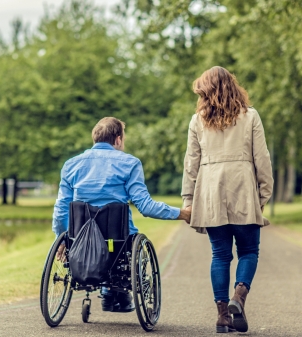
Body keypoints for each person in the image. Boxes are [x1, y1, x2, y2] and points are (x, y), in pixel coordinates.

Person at [52, 116, 192, 313]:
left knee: (100, 236)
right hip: (118, 241)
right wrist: (182, 214)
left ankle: (108, 292)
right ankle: (113, 293)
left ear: (95, 139)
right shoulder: (130, 163)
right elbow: (146, 206)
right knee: (123, 243)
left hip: (80, 239)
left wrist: (63, 238)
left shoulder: (71, 165)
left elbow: (61, 209)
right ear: (117, 140)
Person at [181, 66, 273, 333]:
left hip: (210, 190)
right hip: (242, 187)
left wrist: (188, 198)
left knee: (220, 255)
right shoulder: (250, 116)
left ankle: (223, 317)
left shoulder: (197, 120)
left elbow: (191, 164)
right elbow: (262, 158)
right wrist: (264, 193)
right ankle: (239, 296)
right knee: (249, 251)